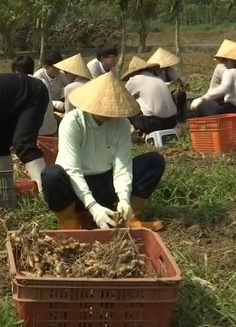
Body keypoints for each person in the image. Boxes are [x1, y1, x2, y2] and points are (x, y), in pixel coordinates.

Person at [41, 73, 165, 231]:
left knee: (153, 161)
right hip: (74, 187)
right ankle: (70, 222)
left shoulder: (121, 124)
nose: (109, 113)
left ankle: (129, 218)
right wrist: (93, 207)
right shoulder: (73, 122)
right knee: (51, 175)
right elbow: (72, 169)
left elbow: (123, 165)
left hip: (106, 182)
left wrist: (124, 199)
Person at [191, 46, 236, 116]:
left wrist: (203, 99)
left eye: (225, 61)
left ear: (230, 61)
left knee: (202, 104)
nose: (224, 64)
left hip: (233, 109)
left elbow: (222, 89)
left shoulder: (231, 72)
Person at [122, 57, 177, 134]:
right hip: (172, 122)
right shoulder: (158, 78)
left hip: (152, 124)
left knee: (126, 104)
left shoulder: (134, 80)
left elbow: (122, 97)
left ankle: (132, 129)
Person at [12, 55, 58, 137]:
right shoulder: (41, 83)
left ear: (16, 72)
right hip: (51, 130)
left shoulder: (19, 86)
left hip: (35, 135)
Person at [147, 47, 187, 122]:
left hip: (169, 92)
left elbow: (177, 79)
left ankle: (178, 118)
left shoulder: (169, 70)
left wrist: (181, 85)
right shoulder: (151, 73)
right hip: (157, 94)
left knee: (181, 94)